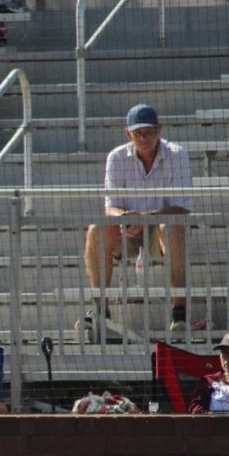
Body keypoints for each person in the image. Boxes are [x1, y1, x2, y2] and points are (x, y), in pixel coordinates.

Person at [79, 104, 194, 340]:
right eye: (138, 133)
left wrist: (149, 218)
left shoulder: (177, 154)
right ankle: (101, 308)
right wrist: (125, 219)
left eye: (149, 132)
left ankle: (179, 311)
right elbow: (110, 206)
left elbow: (182, 206)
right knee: (96, 229)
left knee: (171, 226)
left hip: (162, 231)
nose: (143, 138)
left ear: (159, 130)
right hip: (127, 230)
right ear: (128, 133)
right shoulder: (116, 157)